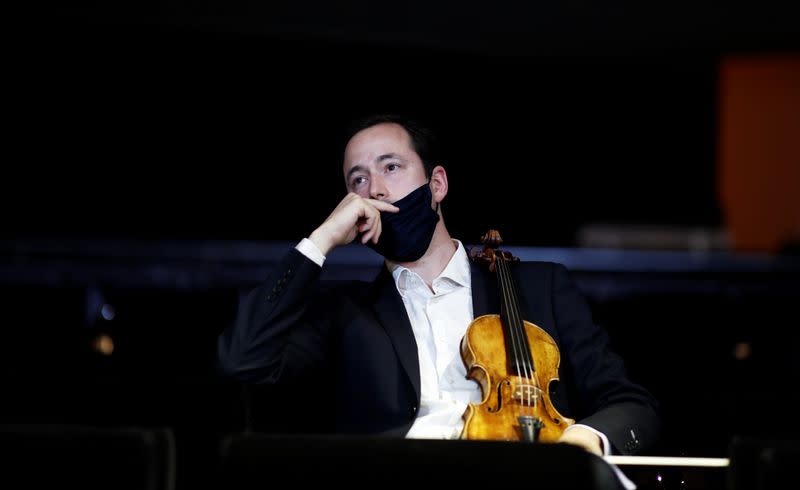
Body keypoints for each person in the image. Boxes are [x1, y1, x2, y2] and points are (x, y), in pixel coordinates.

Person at [217, 113, 661, 462]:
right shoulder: (345, 311)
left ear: (437, 184)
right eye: (358, 181)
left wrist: (581, 442)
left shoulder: (541, 287)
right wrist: (321, 240)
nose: (375, 189)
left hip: (527, 489)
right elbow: (244, 360)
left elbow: (630, 403)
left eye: (391, 167)